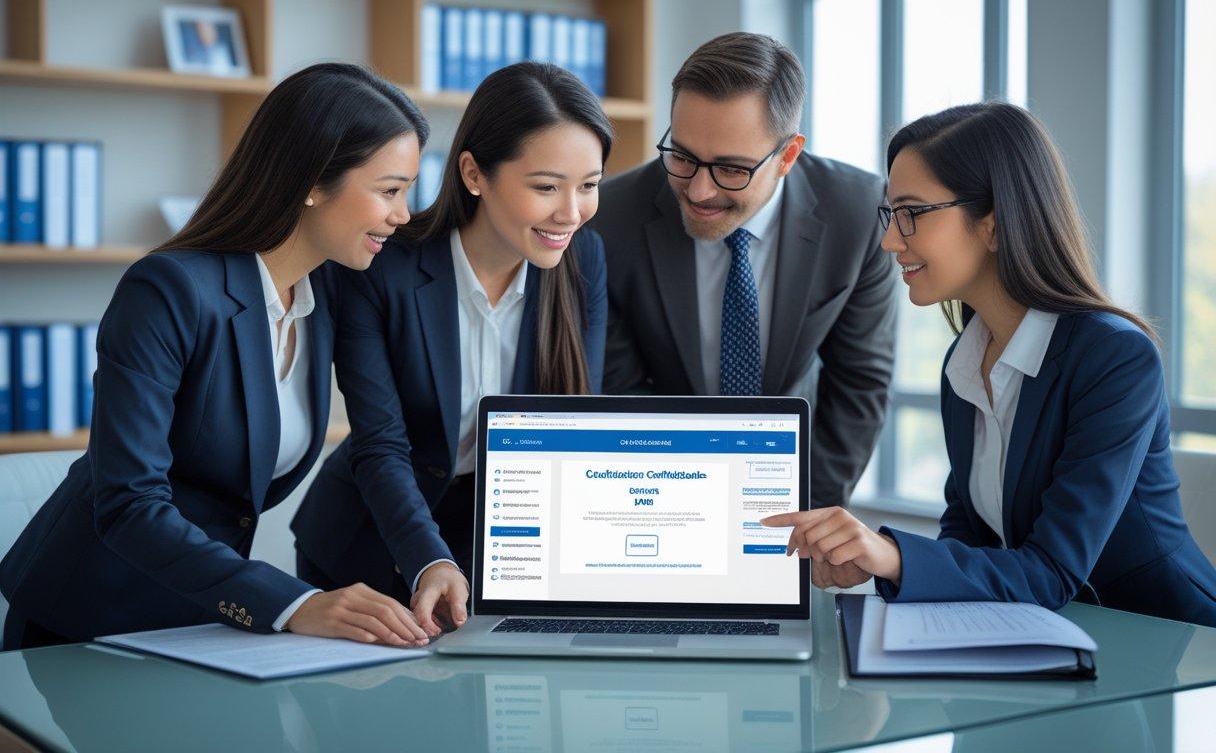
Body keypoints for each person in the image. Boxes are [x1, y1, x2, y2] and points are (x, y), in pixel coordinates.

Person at [0, 62, 457, 649]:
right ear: (314, 181)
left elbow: (379, 441)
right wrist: (295, 603)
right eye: (389, 191)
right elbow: (128, 503)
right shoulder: (168, 290)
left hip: (205, 625)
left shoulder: (331, 290)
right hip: (86, 623)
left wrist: (430, 561)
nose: (403, 215)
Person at [763, 101, 1216, 626]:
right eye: (891, 215)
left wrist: (892, 555)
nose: (889, 240)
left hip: (1165, 645)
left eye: (910, 213)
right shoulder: (965, 360)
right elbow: (968, 531)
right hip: (1042, 633)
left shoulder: (1114, 358)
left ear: (996, 224)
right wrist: (879, 567)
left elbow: (1051, 573)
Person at [291, 62, 610, 626]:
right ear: (473, 173)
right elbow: (380, 443)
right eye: (546, 186)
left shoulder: (583, 260)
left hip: (498, 553)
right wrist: (429, 559)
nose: (571, 212)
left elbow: (574, 428)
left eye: (589, 186)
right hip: (366, 546)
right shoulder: (382, 263)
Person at [588, 32, 897, 509]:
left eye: (732, 170)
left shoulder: (858, 215)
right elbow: (621, 396)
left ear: (788, 156)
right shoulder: (609, 219)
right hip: (658, 490)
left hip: (798, 490)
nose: (699, 191)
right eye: (683, 156)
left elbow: (858, 386)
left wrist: (805, 522)